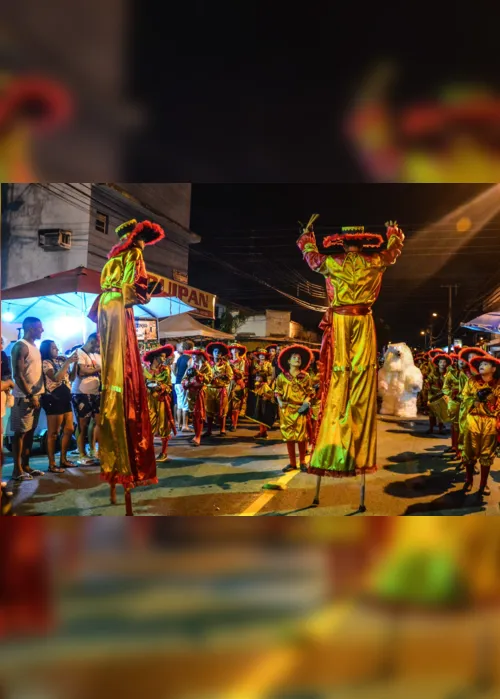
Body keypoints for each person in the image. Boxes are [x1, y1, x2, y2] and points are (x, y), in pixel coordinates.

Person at [297, 217, 404, 479]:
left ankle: (334, 442)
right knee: (362, 378)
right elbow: (392, 253)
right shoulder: (375, 261)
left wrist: (308, 238)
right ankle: (356, 447)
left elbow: (313, 260)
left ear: (343, 245)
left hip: (342, 321)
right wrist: (393, 234)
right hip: (363, 320)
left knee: (338, 376)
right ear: (363, 243)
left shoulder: (334, 262)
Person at [93, 218, 164, 514]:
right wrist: (151, 291)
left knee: (113, 371)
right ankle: (127, 465)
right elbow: (134, 286)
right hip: (118, 306)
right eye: (143, 241)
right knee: (124, 370)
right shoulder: (133, 254)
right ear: (136, 239)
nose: (144, 245)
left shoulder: (111, 259)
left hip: (104, 307)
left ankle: (113, 470)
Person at [10, 317, 45, 481]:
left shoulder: (34, 346)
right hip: (24, 397)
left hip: (36, 396)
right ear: (31, 328)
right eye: (39, 328)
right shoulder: (21, 346)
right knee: (20, 433)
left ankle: (25, 466)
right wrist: (30, 395)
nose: (42, 331)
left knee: (30, 433)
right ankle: (17, 470)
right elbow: (18, 375)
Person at [461, 354, 500, 502]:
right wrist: (474, 400)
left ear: (494, 369)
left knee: (487, 455)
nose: (482, 366)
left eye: (486, 364)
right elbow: (464, 398)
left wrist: (494, 401)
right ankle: (469, 480)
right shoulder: (472, 381)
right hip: (473, 420)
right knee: (469, 451)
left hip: (490, 422)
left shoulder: (498, 384)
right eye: (481, 364)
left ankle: (483, 485)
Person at [275, 344, 315, 473]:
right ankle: (292, 462)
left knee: (301, 437)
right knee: (289, 437)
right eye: (294, 357)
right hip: (286, 409)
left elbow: (310, 393)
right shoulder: (281, 377)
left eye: (299, 358)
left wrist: (306, 402)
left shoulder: (306, 377)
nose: (297, 359)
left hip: (300, 410)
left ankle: (302, 461)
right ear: (288, 361)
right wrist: (280, 402)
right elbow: (278, 391)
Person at [40, 340, 78, 473]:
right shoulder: (46, 363)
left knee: (69, 429)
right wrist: (67, 362)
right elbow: (56, 378)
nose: (56, 349)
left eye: (57, 347)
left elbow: (71, 377)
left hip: (65, 397)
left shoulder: (60, 362)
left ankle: (63, 459)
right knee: (53, 433)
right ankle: (51, 464)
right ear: (46, 349)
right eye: (53, 348)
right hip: (53, 399)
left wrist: (74, 363)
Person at [71, 333, 101, 466]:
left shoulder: (95, 355)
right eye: (97, 344)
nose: (98, 347)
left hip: (95, 392)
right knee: (82, 424)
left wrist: (94, 369)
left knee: (98, 422)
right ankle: (82, 454)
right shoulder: (79, 353)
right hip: (81, 393)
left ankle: (94, 450)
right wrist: (97, 369)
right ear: (92, 341)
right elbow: (82, 371)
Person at [143, 344, 176, 462]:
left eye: (164, 356)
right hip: (149, 400)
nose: (164, 359)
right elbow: (141, 385)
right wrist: (148, 387)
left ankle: (164, 452)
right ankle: (148, 451)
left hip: (162, 400)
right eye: (161, 356)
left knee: (163, 425)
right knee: (148, 424)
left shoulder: (166, 370)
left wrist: (162, 387)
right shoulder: (145, 369)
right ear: (155, 357)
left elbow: (169, 386)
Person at [182, 349, 213, 446]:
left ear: (201, 357)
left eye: (196, 356)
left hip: (201, 393)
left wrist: (200, 375)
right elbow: (184, 378)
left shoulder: (206, 367)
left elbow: (209, 380)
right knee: (194, 415)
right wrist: (185, 383)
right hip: (191, 393)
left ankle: (198, 436)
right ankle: (196, 434)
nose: (194, 357)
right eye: (193, 356)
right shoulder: (192, 367)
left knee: (199, 415)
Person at [204, 342, 233, 437]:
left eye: (218, 352)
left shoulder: (225, 365)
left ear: (221, 354)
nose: (217, 353)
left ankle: (222, 429)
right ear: (212, 353)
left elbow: (230, 376)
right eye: (215, 351)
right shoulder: (208, 364)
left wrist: (222, 376)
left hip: (220, 389)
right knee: (209, 410)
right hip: (210, 389)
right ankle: (209, 430)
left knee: (223, 409)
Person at [246, 369, 277, 440]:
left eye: (259, 377)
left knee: (263, 420)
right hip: (259, 404)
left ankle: (264, 433)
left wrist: (265, 395)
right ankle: (261, 432)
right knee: (260, 420)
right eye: (256, 377)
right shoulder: (258, 385)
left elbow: (270, 394)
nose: (257, 378)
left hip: (264, 405)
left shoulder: (265, 385)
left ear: (263, 378)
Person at [442, 352, 461, 462]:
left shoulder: (471, 374)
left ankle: (463, 455)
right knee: (454, 427)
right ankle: (455, 448)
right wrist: (450, 395)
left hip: (467, 404)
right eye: (459, 360)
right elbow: (445, 388)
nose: (461, 363)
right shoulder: (451, 373)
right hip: (454, 404)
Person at [426, 353, 451, 435]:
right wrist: (430, 387)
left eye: (444, 362)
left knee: (441, 412)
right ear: (438, 363)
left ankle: (441, 429)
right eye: (441, 362)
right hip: (433, 395)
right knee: (431, 413)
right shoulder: (433, 373)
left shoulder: (449, 374)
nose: (442, 364)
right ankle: (431, 428)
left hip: (443, 396)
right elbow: (428, 383)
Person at [173, 340, 194, 432]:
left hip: (177, 382)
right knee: (185, 405)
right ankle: (185, 425)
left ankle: (179, 424)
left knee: (179, 405)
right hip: (183, 384)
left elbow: (175, 370)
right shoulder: (190, 359)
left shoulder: (179, 358)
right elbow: (190, 373)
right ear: (190, 348)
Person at [228, 343, 247, 431]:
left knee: (235, 404)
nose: (234, 351)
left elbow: (241, 374)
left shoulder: (242, 361)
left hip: (237, 384)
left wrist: (234, 370)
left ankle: (234, 424)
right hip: (228, 384)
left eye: (236, 350)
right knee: (227, 404)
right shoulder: (228, 361)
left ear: (239, 351)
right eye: (233, 349)